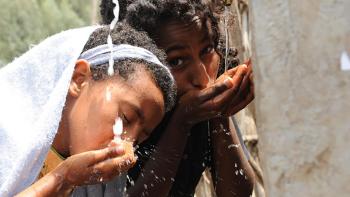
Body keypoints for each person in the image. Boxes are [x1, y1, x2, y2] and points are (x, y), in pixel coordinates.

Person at [0, 23, 176, 196]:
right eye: (125, 118)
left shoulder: (96, 186)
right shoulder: (5, 130)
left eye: (138, 140)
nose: (126, 144)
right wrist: (63, 178)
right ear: (79, 79)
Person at [100, 0, 255, 196]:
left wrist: (219, 114)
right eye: (177, 61)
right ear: (140, 64)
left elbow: (236, 192)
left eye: (207, 50)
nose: (202, 78)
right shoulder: (125, 119)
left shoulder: (200, 102)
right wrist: (182, 122)